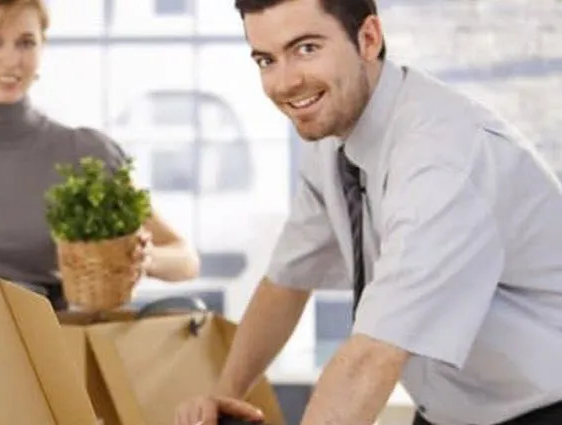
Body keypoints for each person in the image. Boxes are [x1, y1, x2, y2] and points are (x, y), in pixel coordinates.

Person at [174, 0, 562, 424]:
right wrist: (224, 397)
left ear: (369, 38)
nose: (285, 82)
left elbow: (371, 356)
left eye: (306, 48)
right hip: (453, 412)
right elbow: (287, 281)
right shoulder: (335, 132)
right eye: (267, 60)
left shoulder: (440, 161)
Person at [0, 0, 200, 310]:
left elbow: (185, 259)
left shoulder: (85, 154)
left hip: (55, 333)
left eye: (26, 43)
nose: (12, 60)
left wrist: (142, 257)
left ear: (42, 47)